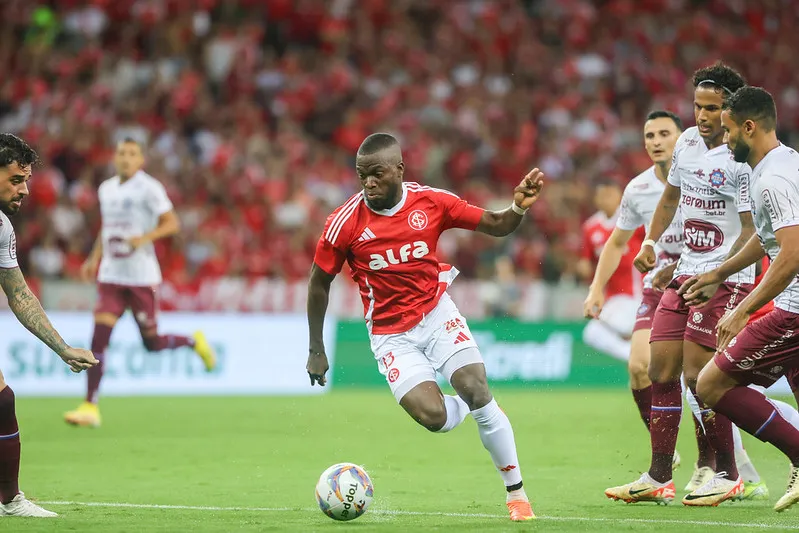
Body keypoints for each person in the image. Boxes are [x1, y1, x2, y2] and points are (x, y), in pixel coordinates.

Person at [306, 133, 543, 521]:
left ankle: (517, 495)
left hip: (436, 314)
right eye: (362, 175)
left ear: (399, 169)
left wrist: (517, 207)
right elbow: (318, 283)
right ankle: (468, 407)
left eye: (377, 174)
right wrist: (316, 348)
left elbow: (497, 224)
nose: (368, 182)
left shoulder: (431, 201)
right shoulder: (343, 224)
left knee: (476, 388)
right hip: (389, 335)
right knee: (434, 419)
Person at [605, 62, 755, 506]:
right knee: (660, 368)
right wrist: (650, 241)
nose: (702, 115)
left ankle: (727, 473)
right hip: (685, 271)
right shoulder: (687, 143)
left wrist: (719, 274)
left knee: (699, 375)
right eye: (697, 106)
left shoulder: (741, 157)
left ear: (731, 107)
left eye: (712, 107)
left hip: (726, 277)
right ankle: (658, 476)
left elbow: (752, 231)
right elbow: (671, 197)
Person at [680, 86, 799, 513]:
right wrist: (718, 272)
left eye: (729, 130)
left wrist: (743, 308)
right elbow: (768, 241)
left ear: (749, 126)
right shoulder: (784, 163)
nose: (724, 139)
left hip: (795, 309)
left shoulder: (773, 179)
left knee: (709, 383)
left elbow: (792, 254)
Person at [64, 138, 217, 428]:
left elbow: (172, 223)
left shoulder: (150, 188)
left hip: (141, 277)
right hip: (111, 276)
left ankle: (193, 341)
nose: (125, 158)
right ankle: (90, 406)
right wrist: (94, 258)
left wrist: (143, 239)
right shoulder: (106, 188)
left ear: (141, 160)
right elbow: (106, 228)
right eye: (121, 153)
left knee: (152, 342)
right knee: (99, 339)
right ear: (115, 157)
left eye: (132, 154)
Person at [0, 133, 98, 517]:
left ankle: (10, 500)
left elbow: (19, 294)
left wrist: (63, 348)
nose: (24, 190)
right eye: (15, 180)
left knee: (3, 401)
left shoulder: (2, 227)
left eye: (26, 180)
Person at [578, 180, 644, 362]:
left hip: (636, 294)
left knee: (593, 332)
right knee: (595, 333)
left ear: (620, 196)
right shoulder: (590, 227)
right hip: (612, 298)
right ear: (595, 199)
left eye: (610, 194)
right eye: (602, 195)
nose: (606, 199)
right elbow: (587, 261)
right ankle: (638, 359)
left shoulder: (633, 221)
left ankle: (637, 358)